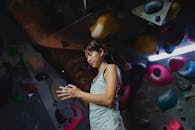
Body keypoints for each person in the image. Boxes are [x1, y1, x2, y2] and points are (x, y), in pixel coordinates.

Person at [57, 40, 126, 130]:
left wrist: (79, 93)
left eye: (90, 54)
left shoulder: (110, 68)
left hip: (110, 125)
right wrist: (76, 93)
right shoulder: (95, 79)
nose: (88, 59)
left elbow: (109, 100)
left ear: (101, 52)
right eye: (86, 57)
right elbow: (93, 105)